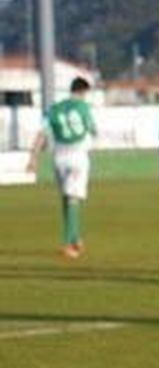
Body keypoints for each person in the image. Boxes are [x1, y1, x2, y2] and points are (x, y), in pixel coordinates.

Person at [26, 76, 97, 259]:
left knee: (66, 199)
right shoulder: (84, 108)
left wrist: (33, 157)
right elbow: (93, 130)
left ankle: (75, 238)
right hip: (77, 155)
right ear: (82, 92)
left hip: (59, 156)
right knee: (74, 198)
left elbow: (42, 133)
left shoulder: (54, 109)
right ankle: (69, 244)